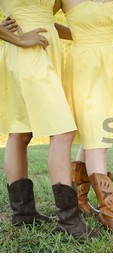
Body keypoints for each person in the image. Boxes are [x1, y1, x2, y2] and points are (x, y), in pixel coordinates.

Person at [0, 0, 93, 239]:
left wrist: (93, 35)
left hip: (44, 51)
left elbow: (50, 16)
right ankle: (68, 220)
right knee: (62, 130)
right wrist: (18, 39)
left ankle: (23, 215)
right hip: (25, 49)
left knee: (21, 131)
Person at [56, 0, 113, 237]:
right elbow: (40, 18)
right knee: (97, 139)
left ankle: (80, 199)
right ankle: (110, 213)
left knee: (99, 135)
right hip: (86, 68)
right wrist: (78, 34)